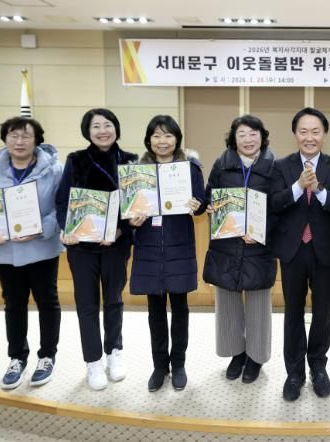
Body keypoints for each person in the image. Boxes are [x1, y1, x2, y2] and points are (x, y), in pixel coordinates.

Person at [0, 117, 63, 389]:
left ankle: (47, 357)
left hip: (41, 248)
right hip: (4, 250)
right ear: (5, 139)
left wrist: (41, 228)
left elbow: (61, 207)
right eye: (13, 136)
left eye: (26, 136)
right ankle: (17, 357)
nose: (19, 141)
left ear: (37, 140)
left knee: (47, 301)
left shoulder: (54, 170)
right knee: (13, 303)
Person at [270, 107, 330, 402]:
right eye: (303, 131)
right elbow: (273, 203)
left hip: (324, 249)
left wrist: (318, 190)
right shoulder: (281, 166)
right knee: (292, 311)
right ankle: (294, 372)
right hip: (292, 249)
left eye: (315, 131)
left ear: (325, 135)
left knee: (322, 311)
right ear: (295, 134)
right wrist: (298, 187)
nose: (309, 137)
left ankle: (318, 366)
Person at [55, 108, 138, 391]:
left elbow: (136, 204)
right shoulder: (76, 159)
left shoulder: (130, 161)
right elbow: (63, 201)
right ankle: (92, 361)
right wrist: (66, 229)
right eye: (96, 126)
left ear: (116, 128)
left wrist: (120, 230)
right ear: (87, 132)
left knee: (113, 300)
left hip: (116, 245)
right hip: (82, 247)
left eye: (107, 125)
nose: (103, 131)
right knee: (87, 304)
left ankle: (114, 352)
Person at [128, 115, 205, 392]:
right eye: (157, 135)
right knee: (155, 311)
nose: (162, 141)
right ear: (149, 140)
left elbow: (201, 201)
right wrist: (132, 219)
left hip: (178, 245)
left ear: (177, 139)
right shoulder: (137, 172)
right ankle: (159, 366)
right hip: (149, 246)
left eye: (168, 135)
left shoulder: (190, 168)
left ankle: (179, 364)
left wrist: (197, 205)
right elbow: (129, 210)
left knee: (180, 309)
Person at [203, 115, 276, 385]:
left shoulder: (274, 166)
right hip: (227, 244)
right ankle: (236, 353)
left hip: (259, 246)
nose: (248, 139)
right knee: (228, 304)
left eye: (253, 133)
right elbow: (210, 195)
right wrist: (210, 205)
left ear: (262, 137)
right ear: (234, 139)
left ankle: (256, 358)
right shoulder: (221, 164)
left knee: (258, 305)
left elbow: (280, 207)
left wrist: (262, 232)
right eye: (242, 134)